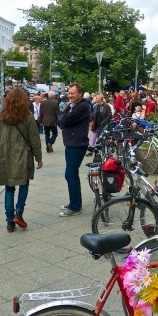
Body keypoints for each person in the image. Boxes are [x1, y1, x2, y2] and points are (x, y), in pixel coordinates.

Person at [0, 88, 43, 232]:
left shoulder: (1, 116)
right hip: (23, 154)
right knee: (24, 184)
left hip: (4, 155)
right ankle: (19, 213)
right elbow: (34, 139)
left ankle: (9, 222)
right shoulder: (28, 116)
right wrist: (39, 157)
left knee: (9, 188)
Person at [57, 83, 90, 216]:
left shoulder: (82, 106)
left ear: (80, 94)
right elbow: (60, 121)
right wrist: (63, 116)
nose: (69, 96)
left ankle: (75, 207)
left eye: (72, 93)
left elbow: (65, 121)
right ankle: (74, 203)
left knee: (70, 174)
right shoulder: (73, 106)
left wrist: (63, 117)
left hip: (77, 144)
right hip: (71, 143)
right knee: (71, 174)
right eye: (69, 93)